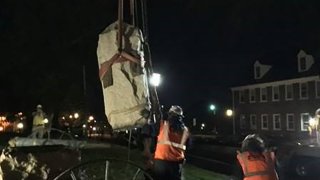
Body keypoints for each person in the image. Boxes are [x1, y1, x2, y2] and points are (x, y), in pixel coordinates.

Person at [153, 105, 189, 180]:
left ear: (170, 114)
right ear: (181, 117)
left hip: (161, 162)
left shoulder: (163, 124)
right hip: (176, 164)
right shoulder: (185, 130)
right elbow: (188, 146)